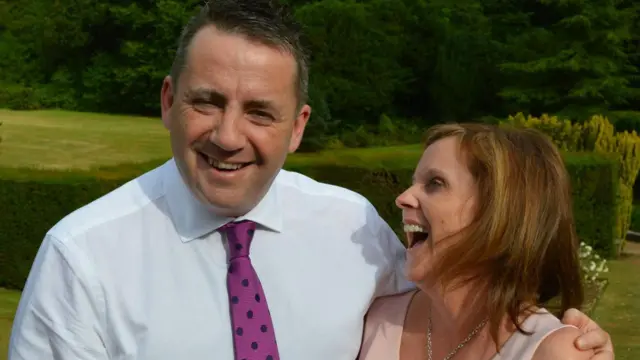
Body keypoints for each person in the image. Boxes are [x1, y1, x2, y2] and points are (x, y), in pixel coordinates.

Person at [8, 1, 613, 359]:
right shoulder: (81, 257)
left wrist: (560, 335)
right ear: (167, 101)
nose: (227, 134)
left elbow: (466, 290)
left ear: (298, 127)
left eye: (260, 112)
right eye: (206, 101)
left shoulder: (350, 225)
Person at [358, 123, 613, 360]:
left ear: (501, 214)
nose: (402, 198)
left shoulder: (552, 352)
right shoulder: (376, 318)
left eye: (435, 183)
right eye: (414, 183)